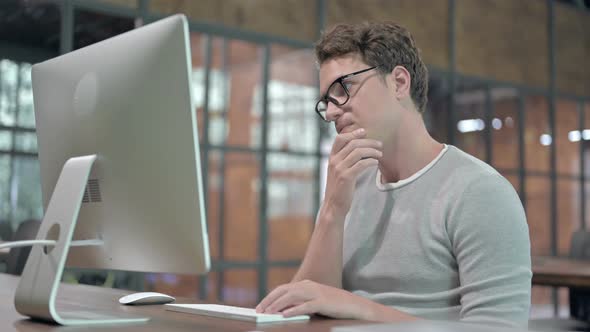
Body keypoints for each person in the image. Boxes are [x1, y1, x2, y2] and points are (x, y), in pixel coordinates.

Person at [255, 22, 531, 327]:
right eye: (326, 101)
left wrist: (359, 307)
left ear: (399, 82)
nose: (332, 112)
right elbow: (303, 309)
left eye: (342, 89)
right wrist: (332, 210)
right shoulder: (352, 185)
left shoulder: (479, 191)